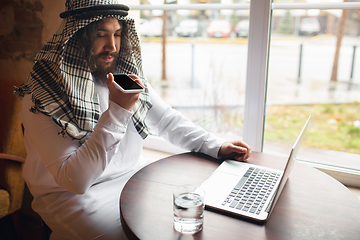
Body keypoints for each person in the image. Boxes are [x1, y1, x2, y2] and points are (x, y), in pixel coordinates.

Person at [15, 0, 251, 239]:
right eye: (100, 35)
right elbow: (75, 181)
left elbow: (167, 120)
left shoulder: (122, 77)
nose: (112, 46)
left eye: (117, 34)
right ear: (77, 37)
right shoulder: (42, 95)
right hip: (72, 198)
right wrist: (118, 110)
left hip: (132, 179)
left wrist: (216, 145)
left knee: (188, 224)